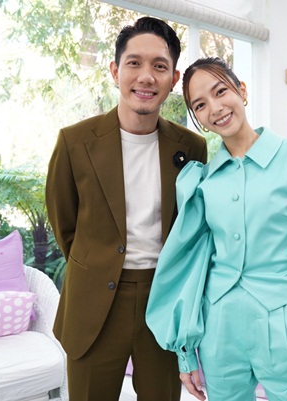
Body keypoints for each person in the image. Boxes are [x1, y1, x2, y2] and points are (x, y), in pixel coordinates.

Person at [145, 57, 287, 401]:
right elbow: (190, 267)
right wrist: (186, 352)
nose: (215, 108)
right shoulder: (201, 181)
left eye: (220, 92)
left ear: (242, 91)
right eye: (200, 105)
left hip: (285, 326)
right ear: (197, 117)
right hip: (218, 331)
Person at [45, 17, 208, 401]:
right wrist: (98, 263)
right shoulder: (74, 142)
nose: (146, 76)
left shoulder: (192, 147)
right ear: (115, 71)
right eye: (134, 63)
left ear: (173, 79)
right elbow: (64, 224)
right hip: (94, 303)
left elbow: (191, 227)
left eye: (160, 66)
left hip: (163, 299)